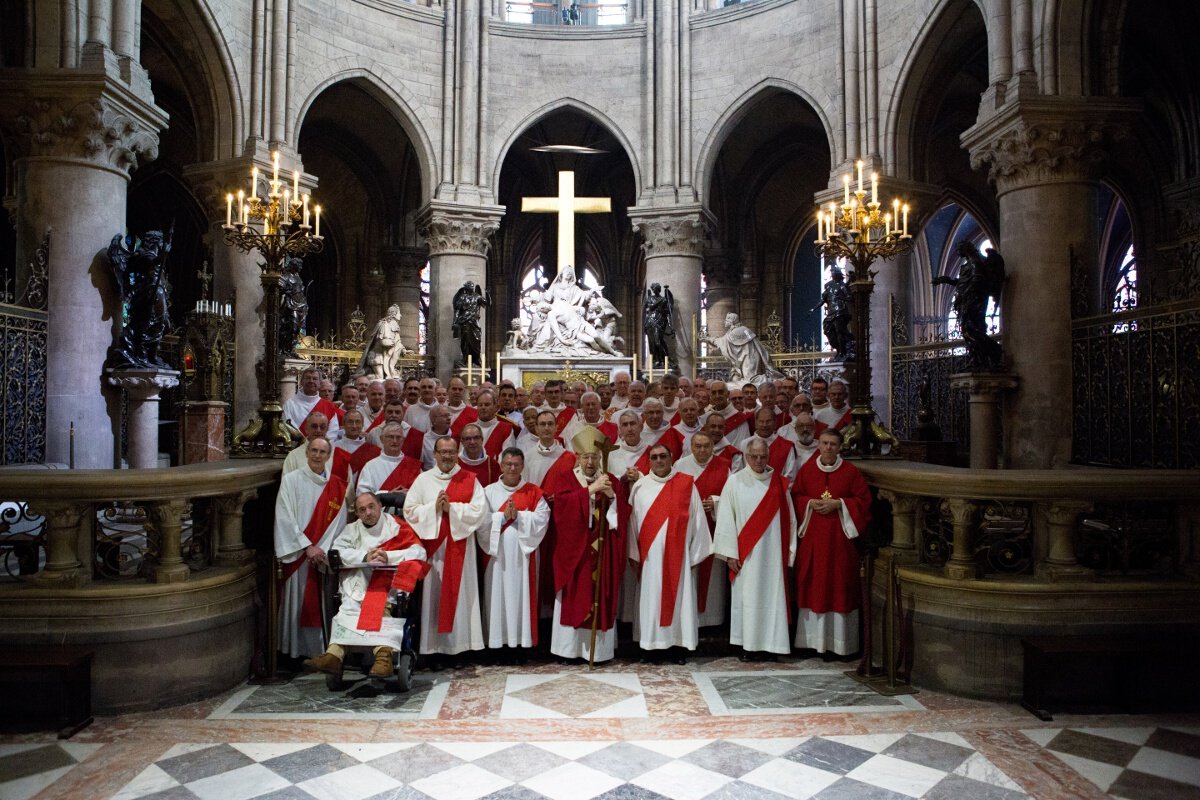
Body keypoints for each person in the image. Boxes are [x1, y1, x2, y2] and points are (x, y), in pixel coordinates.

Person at [303, 492, 428, 679]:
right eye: (362, 510)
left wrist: (388, 556)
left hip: (386, 586)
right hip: (358, 585)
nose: (368, 512)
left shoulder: (395, 526)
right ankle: (334, 656)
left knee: (379, 607)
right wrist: (363, 556)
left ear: (379, 506)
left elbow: (419, 553)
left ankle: (383, 658)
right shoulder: (351, 530)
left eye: (371, 507)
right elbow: (335, 554)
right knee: (348, 609)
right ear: (358, 514)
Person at [403, 436, 488, 664]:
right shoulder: (423, 480)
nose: (448, 456)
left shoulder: (469, 479)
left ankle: (462, 648)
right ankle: (433, 650)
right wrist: (434, 509)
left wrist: (452, 509)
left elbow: (480, 511)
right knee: (434, 596)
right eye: (443, 452)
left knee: (462, 596)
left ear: (457, 453)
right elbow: (409, 510)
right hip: (435, 550)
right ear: (435, 454)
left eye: (451, 452)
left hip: (461, 547)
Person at [713, 438, 797, 661]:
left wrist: (789, 551)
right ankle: (748, 646)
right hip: (746, 555)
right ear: (746, 457)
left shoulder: (779, 484)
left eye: (763, 456)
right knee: (747, 598)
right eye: (754, 457)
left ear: (768, 457)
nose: (759, 461)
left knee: (773, 598)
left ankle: (774, 645)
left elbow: (790, 520)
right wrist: (730, 553)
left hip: (773, 554)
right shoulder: (735, 482)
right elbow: (725, 519)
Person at [627, 444, 711, 664]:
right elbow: (633, 524)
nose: (659, 460)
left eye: (663, 456)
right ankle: (651, 647)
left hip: (679, 558)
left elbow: (698, 520)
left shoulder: (686, 484)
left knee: (679, 602)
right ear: (649, 461)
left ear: (671, 457)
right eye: (654, 457)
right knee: (651, 601)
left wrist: (693, 556)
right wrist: (634, 554)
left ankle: (677, 647)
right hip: (650, 559)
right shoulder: (640, 486)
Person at [547, 429, 626, 664]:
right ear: (577, 457)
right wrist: (590, 491)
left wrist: (612, 496)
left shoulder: (609, 478)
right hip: (575, 552)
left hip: (603, 549)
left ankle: (599, 652)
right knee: (574, 594)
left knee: (600, 592)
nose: (590, 462)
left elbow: (622, 514)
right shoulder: (567, 479)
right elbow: (560, 508)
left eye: (594, 457)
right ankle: (568, 650)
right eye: (585, 457)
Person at [791, 428, 872, 656]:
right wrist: (809, 503)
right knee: (813, 586)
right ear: (818, 445)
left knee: (840, 586)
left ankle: (840, 646)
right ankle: (812, 643)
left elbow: (863, 501)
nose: (828, 448)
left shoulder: (850, 472)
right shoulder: (807, 470)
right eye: (825, 443)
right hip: (814, 540)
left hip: (839, 544)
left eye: (833, 444)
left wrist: (840, 505)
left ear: (839, 447)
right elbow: (796, 496)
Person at [274, 437, 348, 659]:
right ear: (306, 453)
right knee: (296, 604)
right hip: (298, 554)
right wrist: (307, 547)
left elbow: (339, 523)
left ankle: (319, 651)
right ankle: (294, 653)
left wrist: (321, 550)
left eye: (322, 452)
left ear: (328, 456)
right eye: (314, 450)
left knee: (321, 605)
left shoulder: (337, 486)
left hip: (321, 558)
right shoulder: (291, 480)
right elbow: (284, 516)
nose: (317, 455)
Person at [478, 448, 550, 657]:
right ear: (501, 465)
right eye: (508, 464)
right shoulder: (488, 491)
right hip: (496, 558)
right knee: (496, 597)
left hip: (523, 557)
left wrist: (519, 517)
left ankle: (521, 646)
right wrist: (501, 518)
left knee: (522, 597)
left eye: (516, 465)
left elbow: (542, 519)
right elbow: (480, 522)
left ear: (522, 466)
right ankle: (496, 646)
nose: (512, 468)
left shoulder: (534, 492)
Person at [674, 431, 732, 628]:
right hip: (688, 530)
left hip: (715, 528)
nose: (702, 450)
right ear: (691, 447)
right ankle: (689, 620)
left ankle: (711, 620)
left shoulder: (724, 465)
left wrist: (716, 503)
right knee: (690, 573)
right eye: (697, 446)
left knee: (713, 578)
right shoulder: (680, 466)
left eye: (706, 446)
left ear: (712, 446)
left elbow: (732, 497)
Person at [702, 312, 785, 386]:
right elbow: (722, 341)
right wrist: (708, 339)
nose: (725, 322)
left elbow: (755, 343)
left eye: (727, 320)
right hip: (742, 359)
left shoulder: (743, 330)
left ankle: (772, 381)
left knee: (751, 379)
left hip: (750, 357)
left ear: (732, 322)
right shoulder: (732, 333)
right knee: (746, 380)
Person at [357, 422, 423, 499]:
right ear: (382, 439)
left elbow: (423, 492)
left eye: (398, 437)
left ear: (403, 440)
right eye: (391, 437)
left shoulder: (414, 467)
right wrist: (387, 494)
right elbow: (362, 495)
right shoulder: (370, 466)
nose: (395, 441)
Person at [743, 406, 798, 482]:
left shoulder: (787, 446)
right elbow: (741, 472)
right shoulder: (745, 444)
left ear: (775, 423)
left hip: (777, 491)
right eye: (761, 421)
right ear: (756, 423)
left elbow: (790, 476)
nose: (765, 425)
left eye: (768, 421)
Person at [283, 367, 341, 437]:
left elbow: (333, 432)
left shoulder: (329, 406)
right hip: (297, 446)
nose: (311, 381)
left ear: (320, 383)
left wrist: (319, 445)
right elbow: (288, 427)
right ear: (301, 382)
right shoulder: (289, 404)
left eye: (315, 378)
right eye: (308, 378)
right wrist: (304, 443)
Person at [473, 389, 517, 459]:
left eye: (487, 404)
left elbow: (507, 458)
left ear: (496, 407)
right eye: (480, 405)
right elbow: (462, 456)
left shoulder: (506, 429)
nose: (483, 407)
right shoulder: (469, 428)